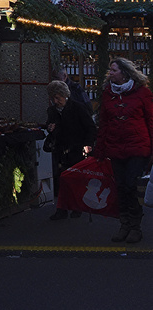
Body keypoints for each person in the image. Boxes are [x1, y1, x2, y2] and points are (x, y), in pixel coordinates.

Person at [94, 57, 153, 244]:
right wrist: (100, 149)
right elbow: (104, 122)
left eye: (114, 70)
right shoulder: (108, 94)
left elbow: (151, 120)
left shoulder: (142, 93)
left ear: (125, 72)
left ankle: (135, 226)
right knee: (120, 187)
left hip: (138, 146)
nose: (110, 73)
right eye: (110, 70)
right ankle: (124, 224)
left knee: (130, 185)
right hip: (115, 146)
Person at [46, 79, 96, 220]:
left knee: (75, 179)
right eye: (53, 98)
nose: (56, 101)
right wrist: (50, 127)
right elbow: (50, 124)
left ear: (65, 95)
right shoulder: (52, 111)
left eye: (58, 97)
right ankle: (62, 209)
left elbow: (90, 127)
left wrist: (88, 144)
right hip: (61, 148)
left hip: (76, 148)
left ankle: (75, 207)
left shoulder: (78, 108)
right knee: (61, 180)